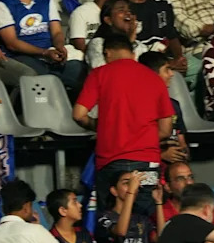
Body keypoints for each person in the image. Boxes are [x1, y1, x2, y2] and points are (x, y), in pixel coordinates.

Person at [74, 28, 175, 198]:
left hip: (111, 160)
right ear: (132, 52)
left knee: (112, 218)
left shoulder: (100, 74)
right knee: (147, 214)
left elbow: (78, 114)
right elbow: (165, 129)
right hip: (146, 160)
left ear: (107, 53)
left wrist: (97, 125)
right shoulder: (154, 78)